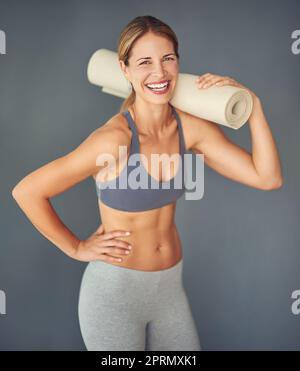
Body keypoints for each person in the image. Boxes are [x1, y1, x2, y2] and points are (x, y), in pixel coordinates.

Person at [11, 15, 283, 351]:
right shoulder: (114, 140)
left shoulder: (191, 129)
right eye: (144, 62)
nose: (160, 73)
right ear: (124, 70)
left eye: (168, 59)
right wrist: (76, 248)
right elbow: (27, 191)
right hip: (114, 296)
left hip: (169, 291)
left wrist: (253, 106)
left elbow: (267, 178)